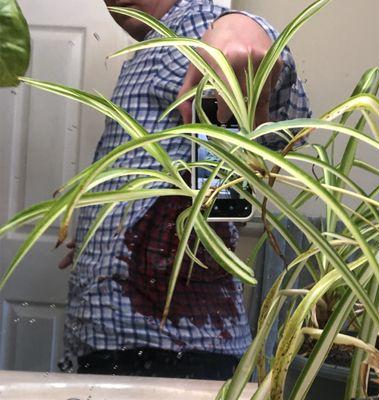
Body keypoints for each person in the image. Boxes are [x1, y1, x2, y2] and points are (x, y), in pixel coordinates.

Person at [58, 0, 310, 379]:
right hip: (142, 342)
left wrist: (243, 30)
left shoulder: (194, 24)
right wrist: (100, 235)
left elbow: (249, 52)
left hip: (167, 352)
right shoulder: (154, 43)